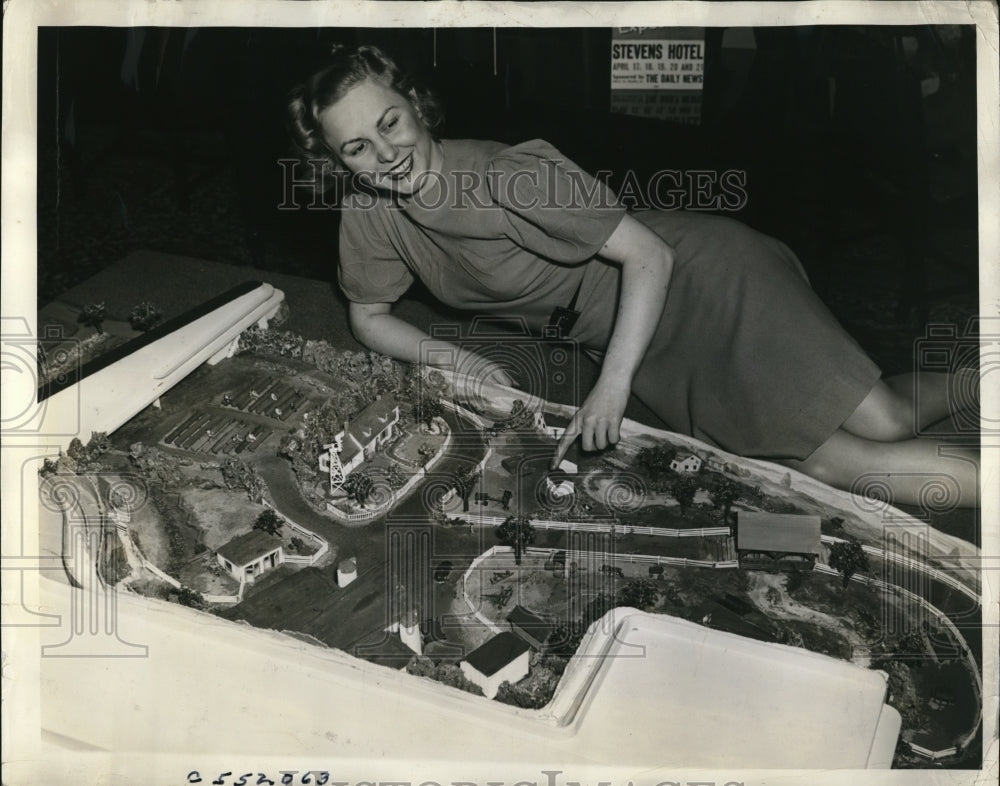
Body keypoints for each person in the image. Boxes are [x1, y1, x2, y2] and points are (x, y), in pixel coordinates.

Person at [288, 44, 980, 508]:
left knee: (863, 438)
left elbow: (650, 255)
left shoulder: (512, 176)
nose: (386, 153)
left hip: (702, 282)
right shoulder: (370, 212)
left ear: (415, 105)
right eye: (358, 146)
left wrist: (609, 390)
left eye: (391, 122)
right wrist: (460, 362)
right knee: (857, 438)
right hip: (626, 331)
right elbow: (369, 316)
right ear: (338, 159)